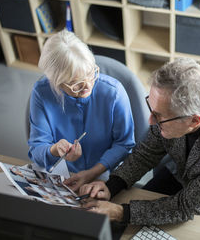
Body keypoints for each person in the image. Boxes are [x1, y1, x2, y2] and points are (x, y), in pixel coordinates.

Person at [79, 58, 200, 225]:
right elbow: (146, 153)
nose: (150, 121)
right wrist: (113, 185)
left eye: (158, 117)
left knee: (133, 221)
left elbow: (186, 206)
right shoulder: (169, 109)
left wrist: (122, 212)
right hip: (185, 174)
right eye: (151, 109)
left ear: (194, 120)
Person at [27, 30, 135, 191]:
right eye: (76, 83)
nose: (88, 86)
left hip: (104, 170)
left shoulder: (114, 93)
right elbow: (36, 149)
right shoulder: (42, 93)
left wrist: (92, 173)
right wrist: (54, 150)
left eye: (91, 73)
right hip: (59, 169)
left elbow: (125, 144)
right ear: (56, 82)